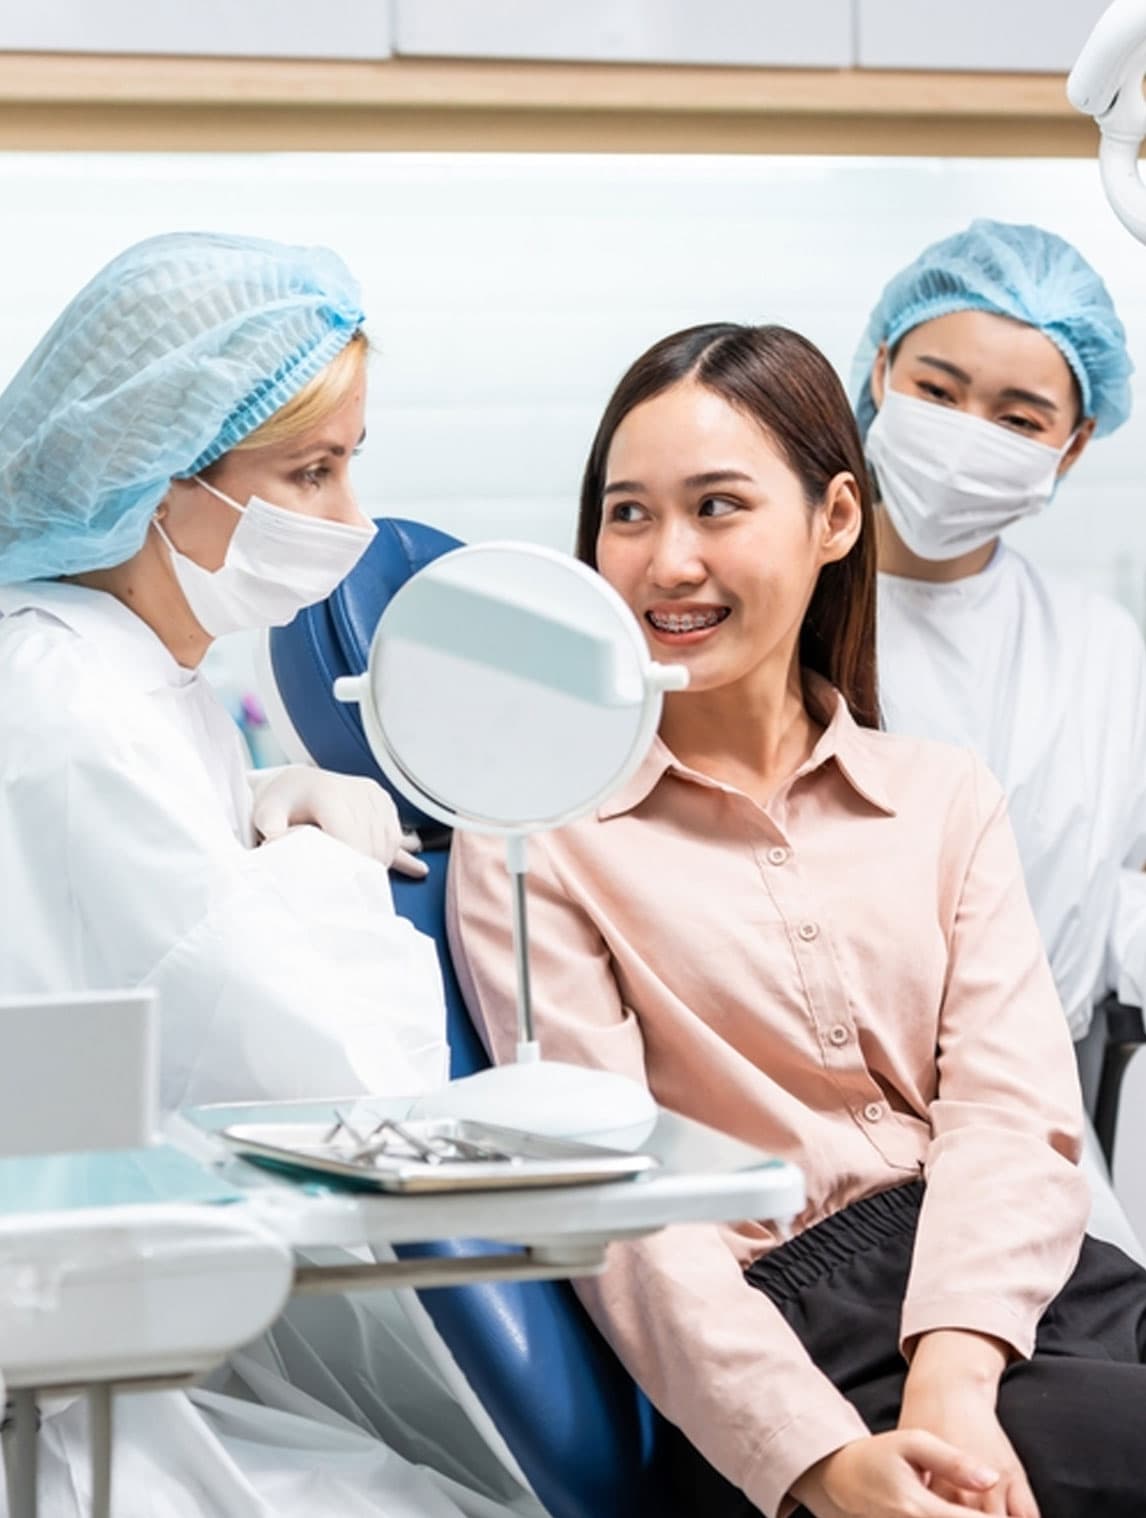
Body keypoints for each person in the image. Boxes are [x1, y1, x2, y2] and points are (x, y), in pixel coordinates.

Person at [449, 322, 1146, 1518]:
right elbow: (618, 1213)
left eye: (717, 506)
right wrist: (818, 1461)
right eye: (628, 514)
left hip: (1031, 1285)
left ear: (835, 518)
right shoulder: (534, 835)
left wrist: (954, 1376)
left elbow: (1012, 1118)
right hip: (794, 1342)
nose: (668, 561)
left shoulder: (942, 797)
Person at [0, 232, 539, 1518]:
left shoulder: (135, 675)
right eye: (312, 471)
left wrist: (255, 806)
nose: (353, 522)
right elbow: (329, 1074)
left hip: (123, 1340)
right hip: (71, 1401)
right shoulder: (70, 703)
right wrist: (321, 862)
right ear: (158, 474)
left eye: (352, 463)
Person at [853, 220, 1144, 1259]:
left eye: (1019, 418)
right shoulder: (772, 616)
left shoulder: (1099, 648)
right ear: (880, 371)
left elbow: (1114, 895)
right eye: (937, 391)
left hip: (1032, 1136)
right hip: (815, 1128)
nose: (968, 434)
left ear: (1073, 443)